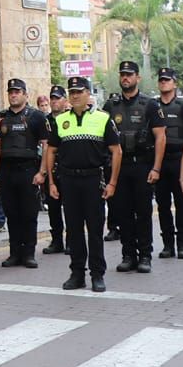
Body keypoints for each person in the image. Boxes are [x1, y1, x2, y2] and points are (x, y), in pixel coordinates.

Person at [42, 76, 119, 293]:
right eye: (72, 92)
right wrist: (52, 181)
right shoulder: (60, 120)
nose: (75, 95)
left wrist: (112, 182)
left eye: (79, 91)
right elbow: (51, 151)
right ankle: (77, 274)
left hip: (93, 179)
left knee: (95, 229)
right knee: (73, 230)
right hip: (68, 180)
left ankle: (97, 274)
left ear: (88, 93)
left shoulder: (103, 118)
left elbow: (116, 151)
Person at [102, 61, 155, 273]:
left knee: (142, 212)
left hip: (142, 164)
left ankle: (145, 256)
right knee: (122, 212)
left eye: (129, 74)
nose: (126, 78)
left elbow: (160, 138)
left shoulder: (149, 104)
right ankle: (128, 254)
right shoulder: (111, 106)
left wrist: (156, 168)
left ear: (137, 78)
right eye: (123, 74)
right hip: (119, 167)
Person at [0, 78, 46, 267]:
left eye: (17, 92)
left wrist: (42, 172)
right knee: (12, 213)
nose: (13, 95)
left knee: (28, 213)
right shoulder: (1, 116)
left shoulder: (36, 116)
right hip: (7, 171)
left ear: (26, 94)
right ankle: (14, 253)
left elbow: (46, 144)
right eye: (11, 92)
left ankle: (29, 253)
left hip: (28, 170)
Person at [148, 68, 183, 260]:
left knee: (182, 203)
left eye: (167, 80)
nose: (164, 83)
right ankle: (168, 244)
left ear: (174, 83)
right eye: (161, 80)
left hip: (179, 160)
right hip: (161, 160)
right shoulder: (153, 106)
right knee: (163, 204)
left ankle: (182, 244)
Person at [42, 85, 67, 254]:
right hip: (51, 169)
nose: (54, 101)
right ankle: (57, 240)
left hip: (67, 167)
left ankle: (72, 240)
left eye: (57, 98)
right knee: (53, 207)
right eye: (52, 98)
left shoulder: (69, 118)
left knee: (71, 208)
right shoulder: (45, 120)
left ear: (64, 100)